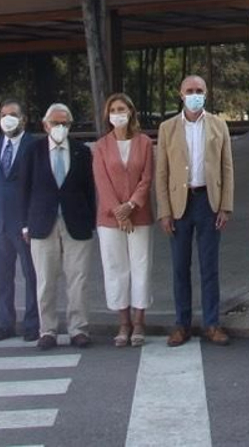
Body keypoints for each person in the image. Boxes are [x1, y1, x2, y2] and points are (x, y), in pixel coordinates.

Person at [155, 74, 235, 347]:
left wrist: (226, 206)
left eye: (199, 90)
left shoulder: (218, 125)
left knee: (209, 267)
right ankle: (182, 324)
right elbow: (162, 172)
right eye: (189, 90)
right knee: (180, 267)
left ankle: (212, 323)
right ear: (180, 94)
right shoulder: (167, 128)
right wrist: (164, 211)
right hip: (180, 204)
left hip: (208, 202)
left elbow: (227, 168)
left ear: (206, 93)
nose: (194, 94)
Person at [20, 103, 97, 351]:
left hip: (76, 224)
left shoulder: (81, 152)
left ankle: (78, 329)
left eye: (65, 123)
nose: (60, 127)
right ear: (45, 125)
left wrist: (91, 220)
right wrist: (24, 224)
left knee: (78, 279)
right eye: (55, 122)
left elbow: (89, 190)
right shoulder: (33, 151)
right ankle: (48, 330)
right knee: (45, 280)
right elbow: (24, 190)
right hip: (42, 224)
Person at [93, 92, 155, 347]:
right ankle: (123, 323)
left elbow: (147, 178)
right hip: (109, 218)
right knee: (116, 268)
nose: (117, 113)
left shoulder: (144, 143)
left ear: (131, 112)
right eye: (113, 110)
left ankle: (139, 321)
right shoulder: (101, 146)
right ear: (107, 115)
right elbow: (102, 181)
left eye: (122, 108)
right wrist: (118, 212)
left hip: (139, 215)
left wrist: (131, 206)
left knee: (141, 267)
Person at [0, 98, 40, 342]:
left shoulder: (35, 145)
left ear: (23, 118)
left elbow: (38, 186)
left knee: (32, 275)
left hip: (25, 222)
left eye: (13, 114)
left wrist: (30, 221)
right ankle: (4, 323)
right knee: (1, 276)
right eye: (4, 114)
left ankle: (32, 324)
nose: (8, 118)